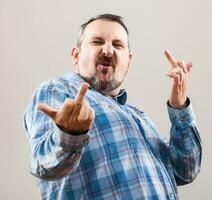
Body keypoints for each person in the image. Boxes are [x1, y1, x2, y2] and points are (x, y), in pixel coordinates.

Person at [23, 13, 202, 200]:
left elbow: (186, 170)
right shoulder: (58, 90)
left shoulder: (139, 118)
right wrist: (69, 135)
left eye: (117, 45)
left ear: (129, 62)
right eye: (97, 42)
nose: (108, 51)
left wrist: (180, 108)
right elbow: (43, 165)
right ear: (76, 55)